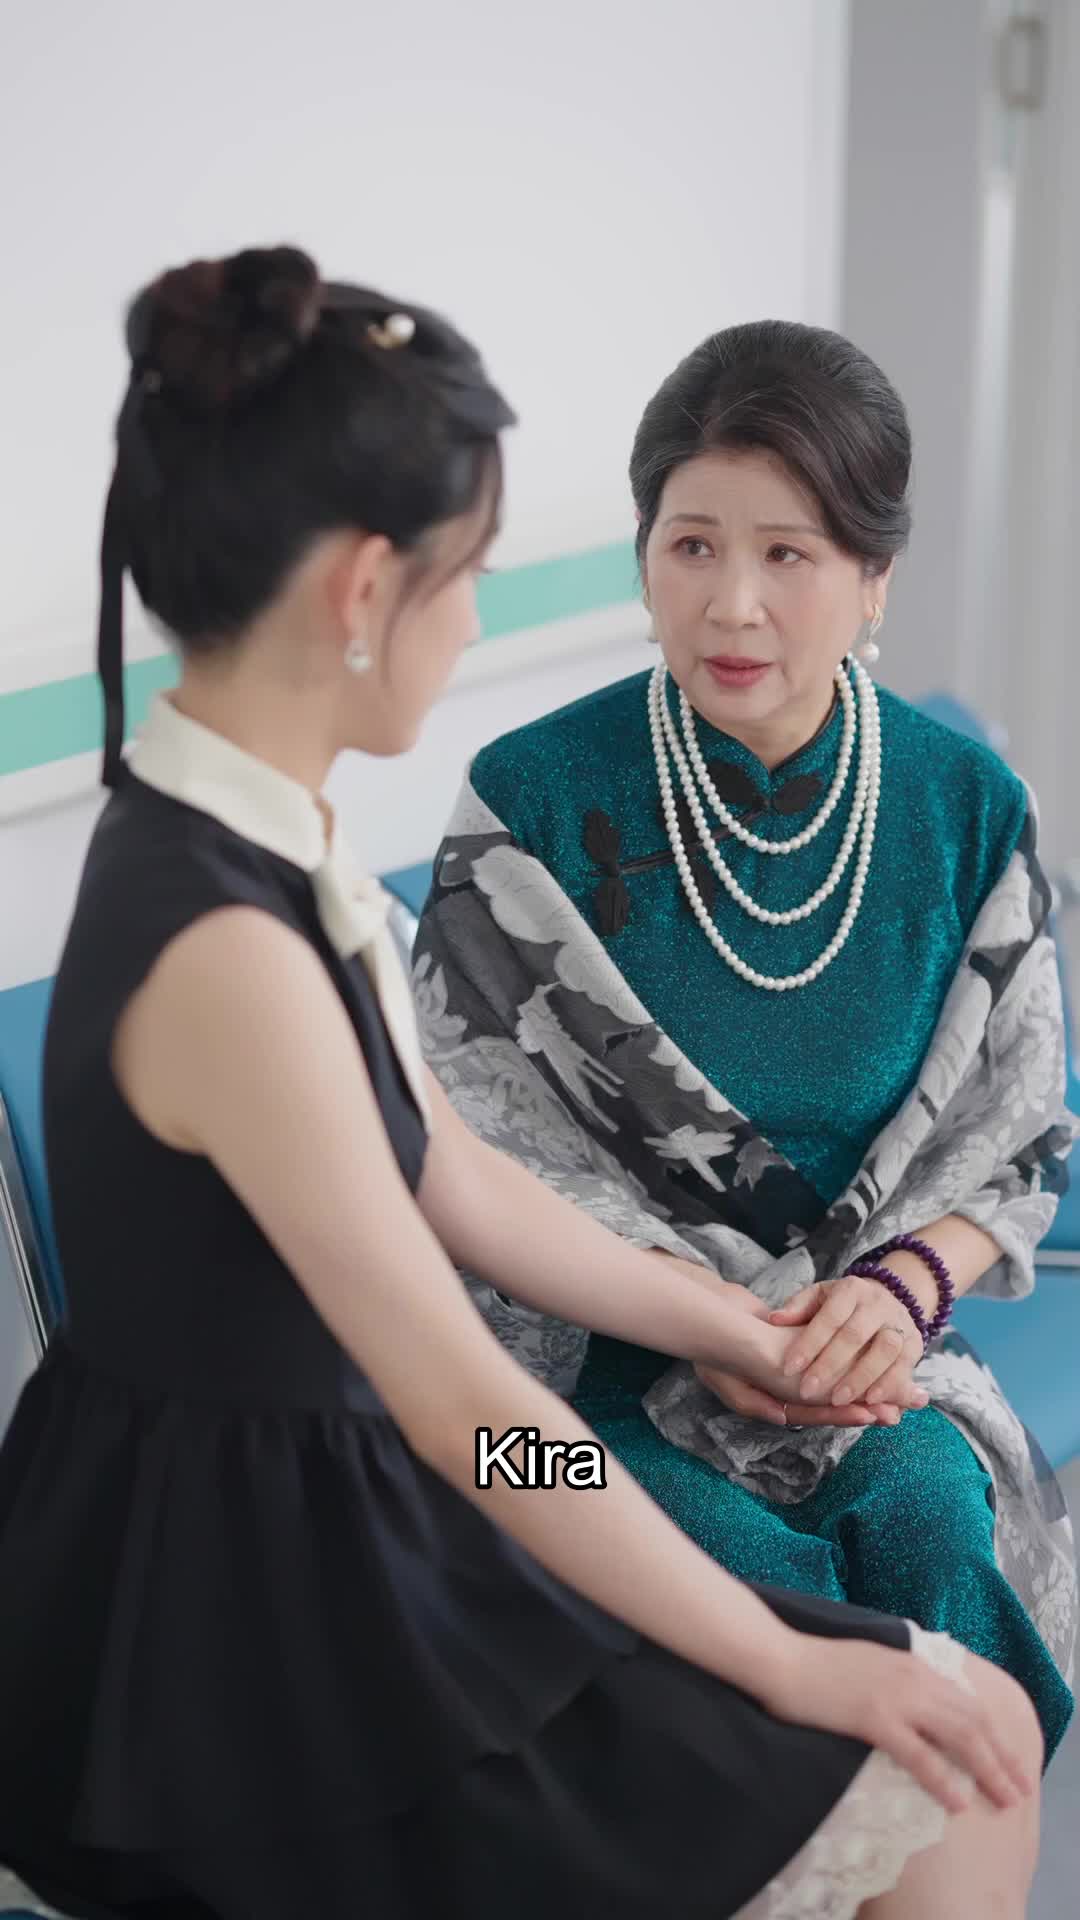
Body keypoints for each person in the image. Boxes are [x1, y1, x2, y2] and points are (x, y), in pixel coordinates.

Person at [0, 253, 1043, 1920]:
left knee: (939, 1717)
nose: (480, 623)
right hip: (267, 1608)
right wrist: (789, 1663)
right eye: (470, 574)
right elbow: (483, 1422)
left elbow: (457, 1181)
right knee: (939, 1763)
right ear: (366, 591)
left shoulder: (267, 843)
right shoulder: (235, 956)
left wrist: (738, 1332)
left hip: (360, 1488)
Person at [413, 318, 1078, 1766]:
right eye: (693, 545)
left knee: (935, 1547)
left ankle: (942, 1854)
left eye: (789, 553)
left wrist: (903, 1290)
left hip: (867, 1356)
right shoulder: (528, 798)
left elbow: (1019, 1140)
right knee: (753, 1606)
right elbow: (470, 1160)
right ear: (645, 556)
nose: (734, 603)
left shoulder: (965, 807)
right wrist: (705, 1323)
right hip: (557, 1387)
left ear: (874, 576)